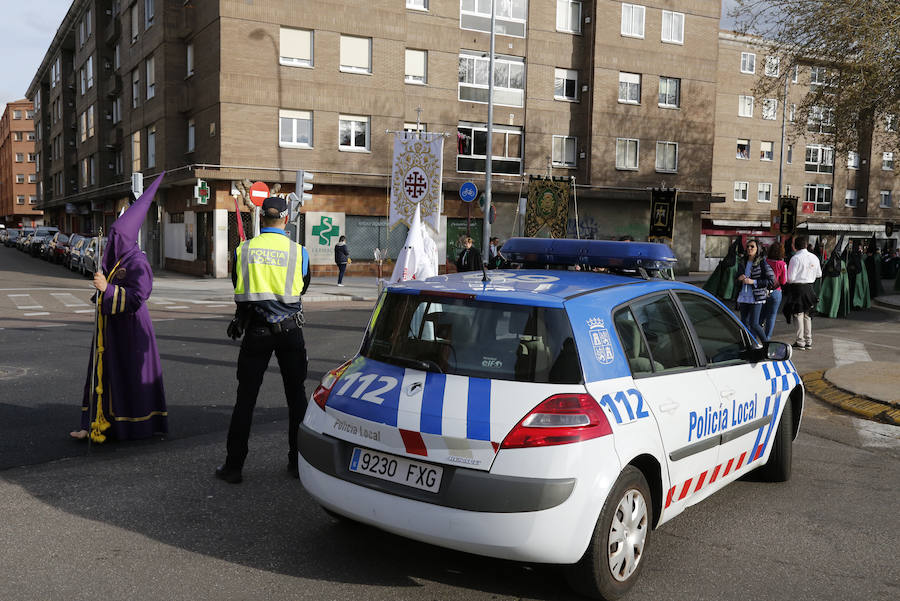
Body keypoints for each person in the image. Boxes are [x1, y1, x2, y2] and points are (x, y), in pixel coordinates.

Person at [216, 197, 311, 484]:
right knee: (296, 399)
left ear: (262, 218)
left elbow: (239, 286)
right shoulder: (299, 252)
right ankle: (297, 464)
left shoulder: (243, 249)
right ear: (286, 218)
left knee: (245, 399)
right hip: (290, 331)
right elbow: (303, 287)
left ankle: (234, 467)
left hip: (256, 331)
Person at [70, 173, 168, 442]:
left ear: (125, 239)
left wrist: (107, 290)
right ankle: (92, 423)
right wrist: (102, 290)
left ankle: (130, 425)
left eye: (116, 238)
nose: (112, 243)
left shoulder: (137, 262)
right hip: (109, 329)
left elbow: (138, 296)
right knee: (101, 375)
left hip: (130, 332)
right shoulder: (116, 261)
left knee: (126, 378)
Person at [783, 236, 822, 350]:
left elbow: (790, 278)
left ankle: (800, 341)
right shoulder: (814, 257)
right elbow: (819, 274)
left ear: (795, 246)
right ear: (806, 245)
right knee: (807, 315)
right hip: (810, 287)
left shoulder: (795, 258)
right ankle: (808, 340)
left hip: (798, 288)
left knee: (798, 314)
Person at [735, 239, 773, 343]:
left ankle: (766, 344)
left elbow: (770, 281)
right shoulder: (742, 261)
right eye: (747, 246)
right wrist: (739, 279)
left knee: (754, 323)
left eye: (752, 246)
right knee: (744, 323)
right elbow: (736, 278)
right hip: (743, 296)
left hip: (756, 297)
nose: (749, 249)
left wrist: (753, 282)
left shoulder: (762, 263)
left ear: (758, 249)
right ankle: (750, 343)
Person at [760, 242, 787, 340]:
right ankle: (767, 338)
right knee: (771, 316)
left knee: (761, 314)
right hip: (776, 292)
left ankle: (755, 336)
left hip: (763, 290)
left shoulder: (764, 261)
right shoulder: (782, 264)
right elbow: (783, 281)